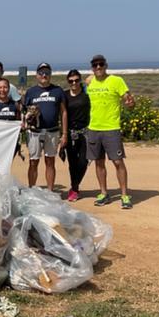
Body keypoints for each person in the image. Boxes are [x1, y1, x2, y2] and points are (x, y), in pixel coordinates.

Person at [85, 54, 135, 209]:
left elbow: (129, 101)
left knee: (118, 162)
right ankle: (104, 193)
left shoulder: (117, 81)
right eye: (95, 65)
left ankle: (125, 195)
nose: (98, 67)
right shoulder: (89, 82)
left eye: (101, 64)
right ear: (92, 68)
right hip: (94, 128)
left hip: (111, 128)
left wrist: (131, 103)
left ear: (106, 65)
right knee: (99, 163)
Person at [22, 62, 68, 190]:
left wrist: (64, 134)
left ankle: (50, 192)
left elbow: (63, 112)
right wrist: (26, 120)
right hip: (34, 132)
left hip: (52, 131)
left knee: (50, 161)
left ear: (50, 74)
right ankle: (31, 190)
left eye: (47, 73)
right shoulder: (31, 92)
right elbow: (24, 111)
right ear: (37, 75)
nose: (44, 75)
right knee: (33, 162)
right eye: (41, 73)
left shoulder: (58, 91)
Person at [62, 69, 91, 202]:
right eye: (71, 81)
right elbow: (61, 113)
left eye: (76, 80)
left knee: (84, 161)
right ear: (68, 82)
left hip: (85, 132)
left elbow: (94, 81)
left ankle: (74, 187)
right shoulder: (64, 95)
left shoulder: (87, 93)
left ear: (80, 80)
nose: (74, 83)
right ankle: (75, 189)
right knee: (72, 163)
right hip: (70, 133)